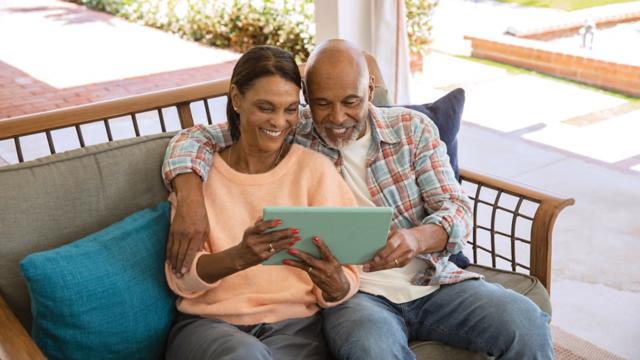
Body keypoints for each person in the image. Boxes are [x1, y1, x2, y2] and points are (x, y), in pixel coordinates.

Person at [163, 39, 553, 359]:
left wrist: (416, 238)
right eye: (322, 103)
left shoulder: (412, 130)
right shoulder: (294, 134)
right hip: (358, 294)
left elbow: (457, 210)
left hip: (433, 279)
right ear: (308, 102)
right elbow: (201, 138)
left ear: (369, 92)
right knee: (372, 350)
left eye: (350, 101)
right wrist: (189, 189)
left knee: (526, 322)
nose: (336, 117)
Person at [163, 45, 360, 360]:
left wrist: (337, 285)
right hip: (208, 327)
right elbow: (180, 279)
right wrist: (239, 257)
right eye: (266, 107)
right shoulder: (198, 176)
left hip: (295, 327)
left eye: (290, 109)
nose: (279, 122)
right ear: (237, 99)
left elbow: (350, 272)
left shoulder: (315, 170)